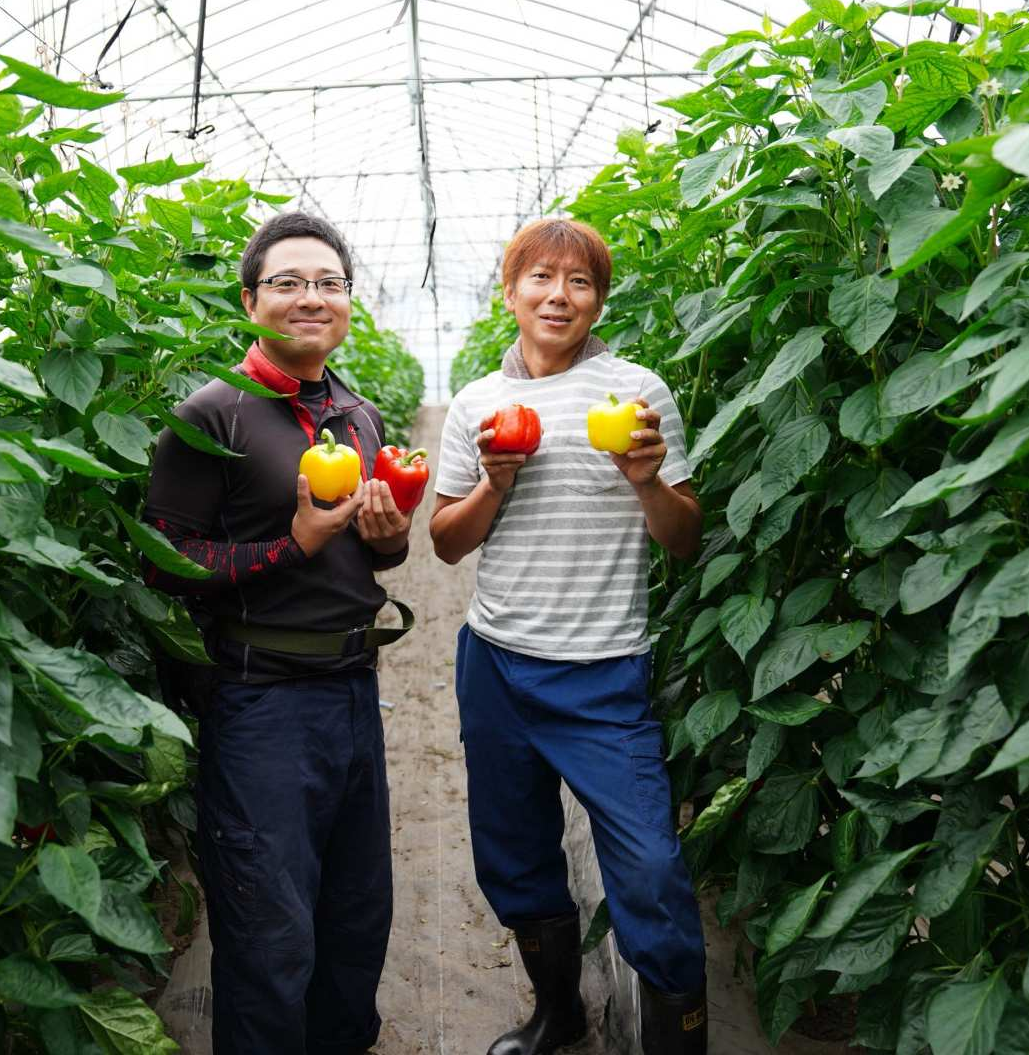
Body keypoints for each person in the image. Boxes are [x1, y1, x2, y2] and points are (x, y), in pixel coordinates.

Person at [429, 218, 708, 1055]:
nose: (559, 296)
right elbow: (445, 542)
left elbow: (684, 538)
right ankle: (559, 1012)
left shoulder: (637, 394)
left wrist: (647, 480)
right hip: (497, 665)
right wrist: (494, 483)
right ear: (510, 293)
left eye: (579, 282)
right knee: (513, 853)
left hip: (604, 671)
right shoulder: (479, 405)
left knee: (650, 868)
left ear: (599, 300)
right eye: (541, 279)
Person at [142, 211, 413, 1054]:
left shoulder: (359, 415)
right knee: (269, 928)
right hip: (260, 699)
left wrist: (387, 535)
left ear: (348, 301)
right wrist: (290, 545)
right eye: (288, 282)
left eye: (329, 283)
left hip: (352, 692)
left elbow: (378, 555)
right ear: (250, 300)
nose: (311, 298)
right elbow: (165, 563)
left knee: (356, 912)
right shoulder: (211, 416)